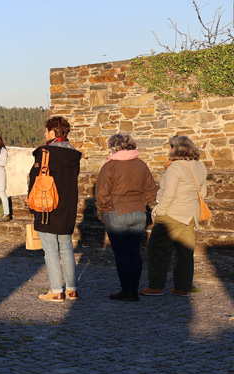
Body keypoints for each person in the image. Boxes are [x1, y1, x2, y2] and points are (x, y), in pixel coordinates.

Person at [94, 133, 158, 301]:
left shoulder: (110, 166)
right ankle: (133, 290)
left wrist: (102, 211)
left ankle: (127, 291)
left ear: (113, 147)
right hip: (138, 212)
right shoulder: (141, 164)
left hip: (116, 212)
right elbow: (152, 190)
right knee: (134, 252)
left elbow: (101, 193)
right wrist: (141, 203)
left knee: (122, 253)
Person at [142, 135, 207, 297]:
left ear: (176, 148)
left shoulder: (175, 167)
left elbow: (169, 194)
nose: (169, 150)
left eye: (170, 147)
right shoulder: (200, 166)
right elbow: (203, 192)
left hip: (172, 214)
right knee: (185, 253)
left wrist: (159, 211)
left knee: (157, 249)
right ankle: (183, 287)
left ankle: (155, 286)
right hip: (190, 215)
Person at [29, 116, 82, 302]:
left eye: (46, 131)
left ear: (52, 132)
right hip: (68, 208)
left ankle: (56, 291)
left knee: (50, 249)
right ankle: (72, 289)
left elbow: (34, 179)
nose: (44, 134)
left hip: (47, 207)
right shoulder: (73, 155)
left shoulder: (45, 153)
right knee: (67, 248)